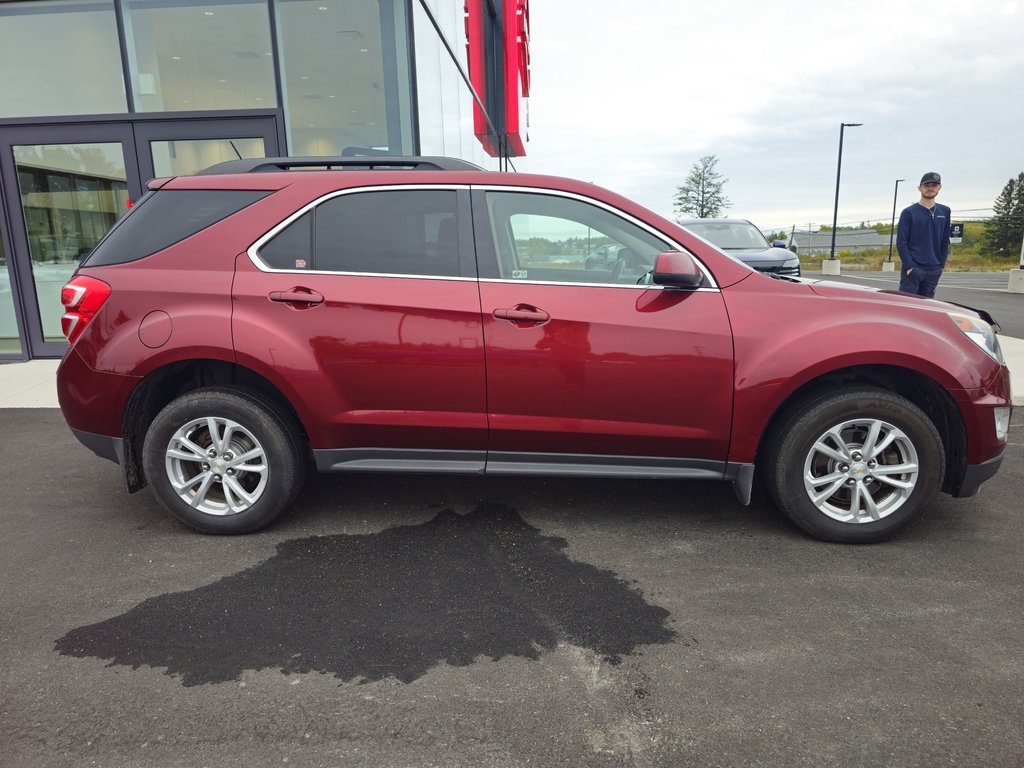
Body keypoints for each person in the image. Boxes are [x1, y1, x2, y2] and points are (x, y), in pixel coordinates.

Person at [896, 171, 951, 298]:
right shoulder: (909, 213)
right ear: (919, 188)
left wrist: (941, 266)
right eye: (926, 185)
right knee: (906, 306)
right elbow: (901, 242)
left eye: (934, 185)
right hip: (913, 270)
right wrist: (910, 267)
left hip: (933, 271)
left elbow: (944, 241)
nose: (930, 188)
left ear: (940, 187)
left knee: (926, 309)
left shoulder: (945, 211)